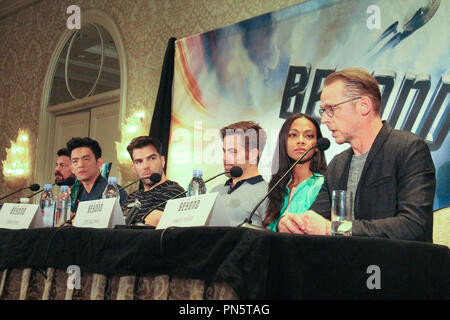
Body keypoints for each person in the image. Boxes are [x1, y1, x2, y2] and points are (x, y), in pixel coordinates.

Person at [281, 68, 435, 241]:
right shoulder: (338, 165)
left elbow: (413, 226)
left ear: (364, 105)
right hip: (347, 264)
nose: (324, 120)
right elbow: (315, 219)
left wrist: (333, 229)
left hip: (393, 265)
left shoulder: (408, 149)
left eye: (331, 108)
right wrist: (293, 223)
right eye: (323, 111)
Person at [263, 113, 327, 232]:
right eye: (293, 135)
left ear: (317, 145)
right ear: (283, 142)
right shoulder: (278, 186)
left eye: (308, 136)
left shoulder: (322, 185)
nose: (301, 141)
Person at [208, 121, 268, 227]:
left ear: (253, 155)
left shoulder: (268, 193)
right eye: (224, 151)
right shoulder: (214, 191)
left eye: (233, 151)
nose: (225, 158)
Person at [121, 136, 185, 226]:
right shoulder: (132, 196)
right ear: (134, 168)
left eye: (151, 158)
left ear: (162, 161)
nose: (146, 166)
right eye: (139, 161)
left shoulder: (174, 191)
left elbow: (150, 225)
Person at [67, 137, 127, 211]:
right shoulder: (77, 193)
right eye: (75, 161)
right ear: (72, 168)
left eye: (86, 159)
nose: (80, 165)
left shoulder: (112, 192)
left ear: (99, 163)